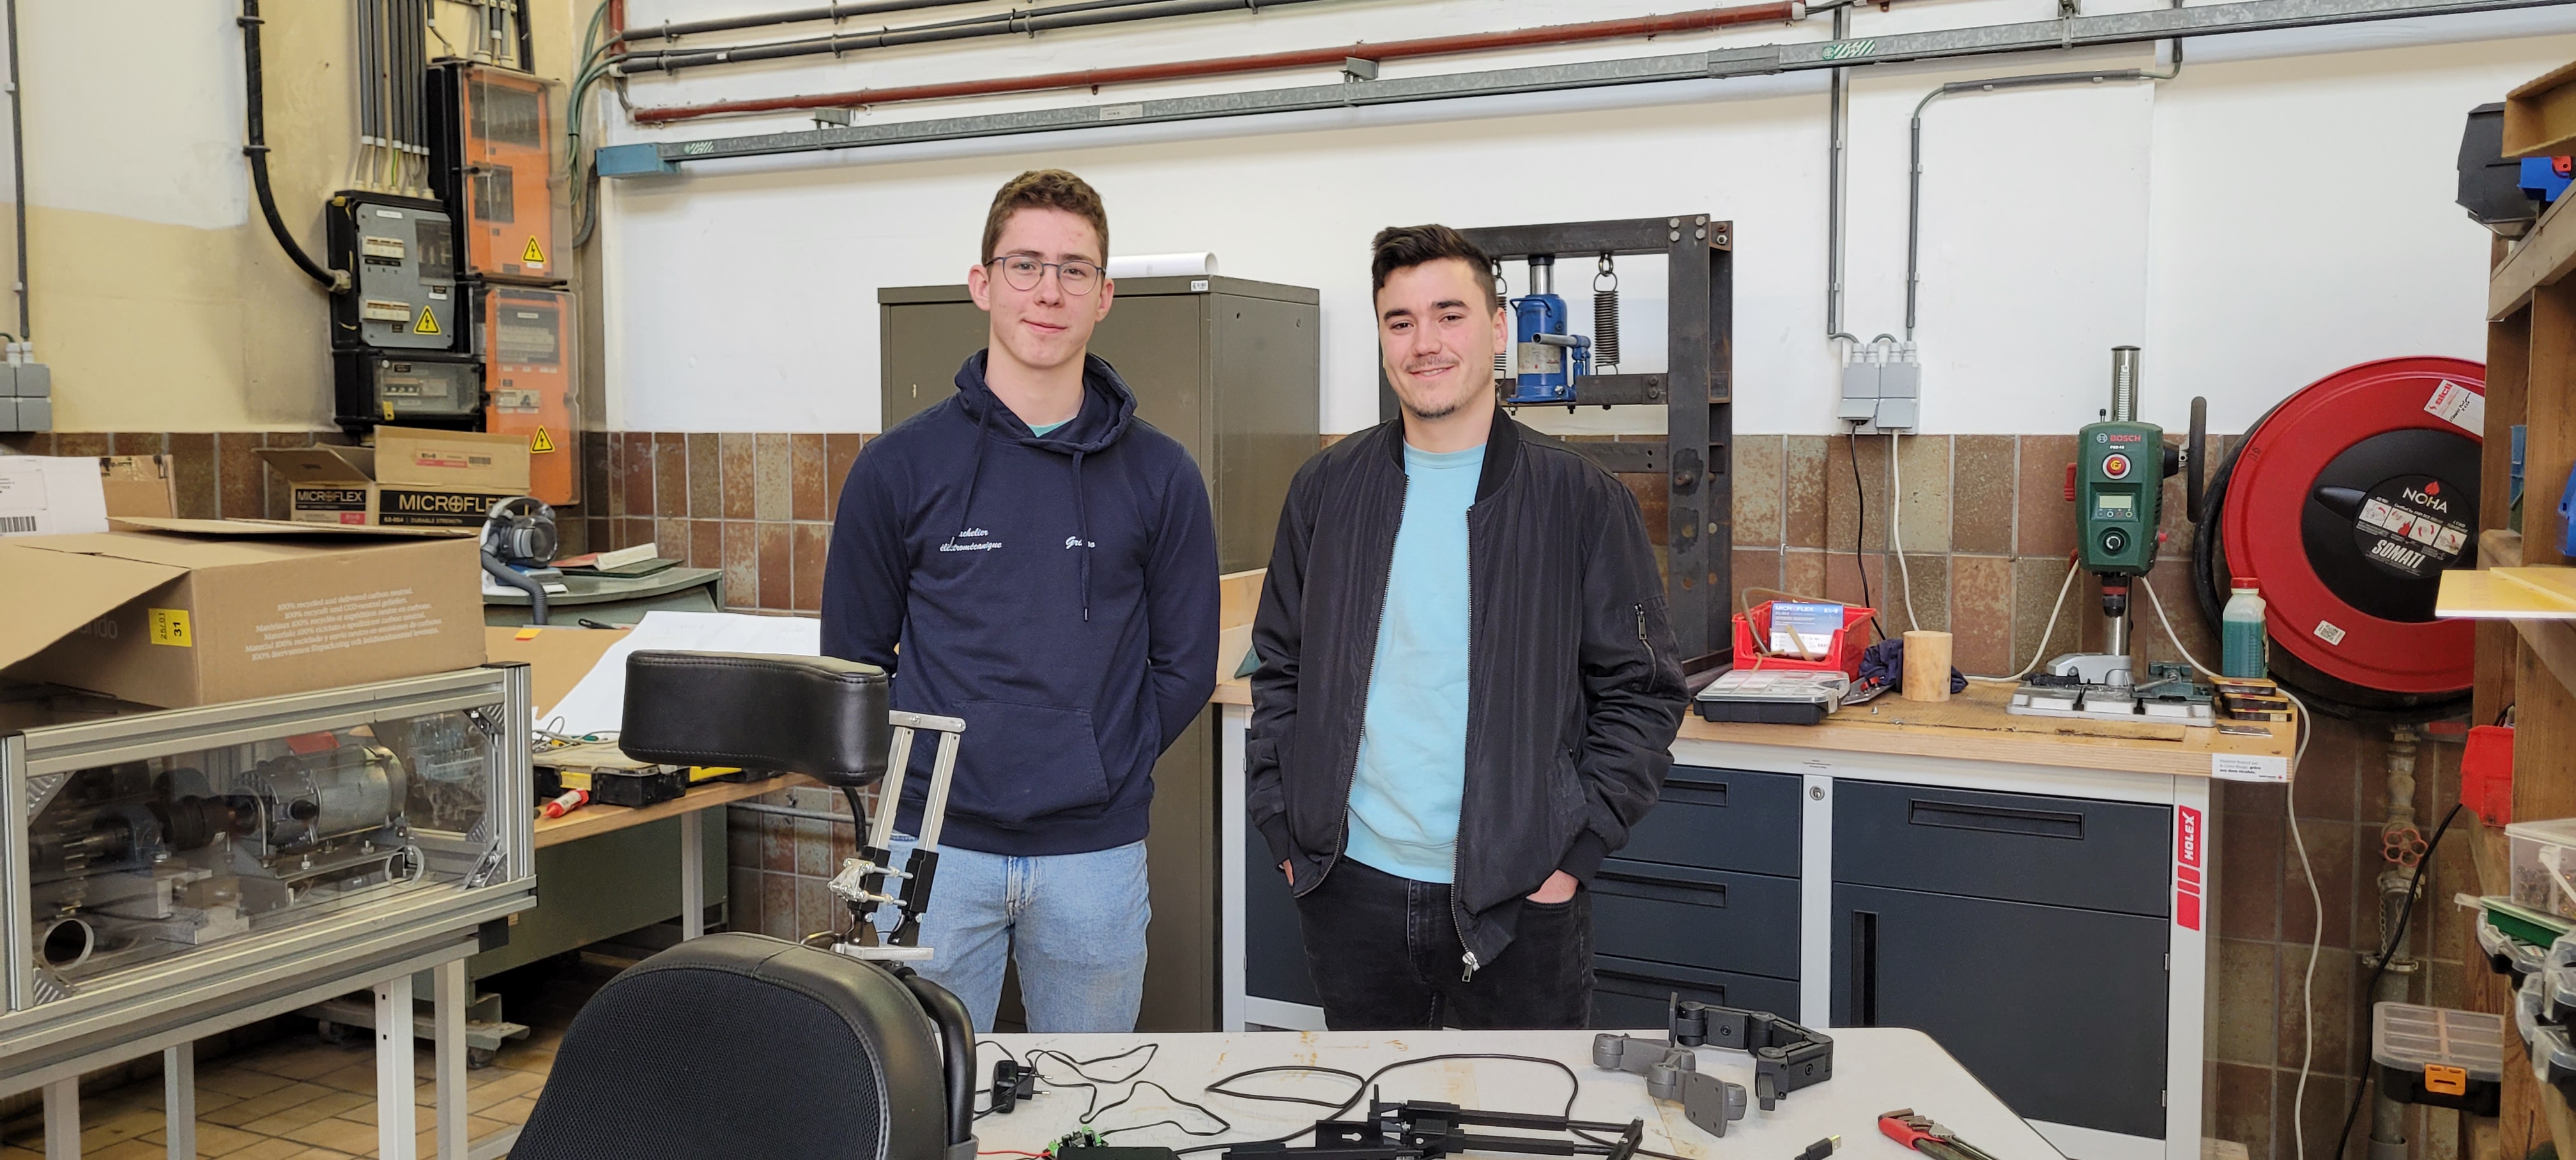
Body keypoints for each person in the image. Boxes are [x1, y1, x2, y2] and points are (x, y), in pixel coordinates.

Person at [1245, 224, 1687, 1030]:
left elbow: (1643, 692)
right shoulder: (1326, 491)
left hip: (1521, 894)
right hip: (1350, 888)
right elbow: (1280, 667)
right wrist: (1284, 827)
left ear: (1498, 328)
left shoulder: (1581, 500)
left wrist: (1573, 854)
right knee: (1377, 1106)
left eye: (1449, 315)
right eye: (1401, 321)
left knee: (1526, 1104)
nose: (1426, 343)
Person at [822, 169, 1218, 1033]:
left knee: (1087, 1093)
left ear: (1104, 295)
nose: (1049, 291)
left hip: (1094, 856)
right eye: (1025, 265)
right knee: (925, 1087)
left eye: (1075, 270)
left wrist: (1103, 761)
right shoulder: (898, 469)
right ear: (983, 283)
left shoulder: (1162, 476)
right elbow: (854, 659)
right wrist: (925, 779)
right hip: (930, 848)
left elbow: (1186, 662)